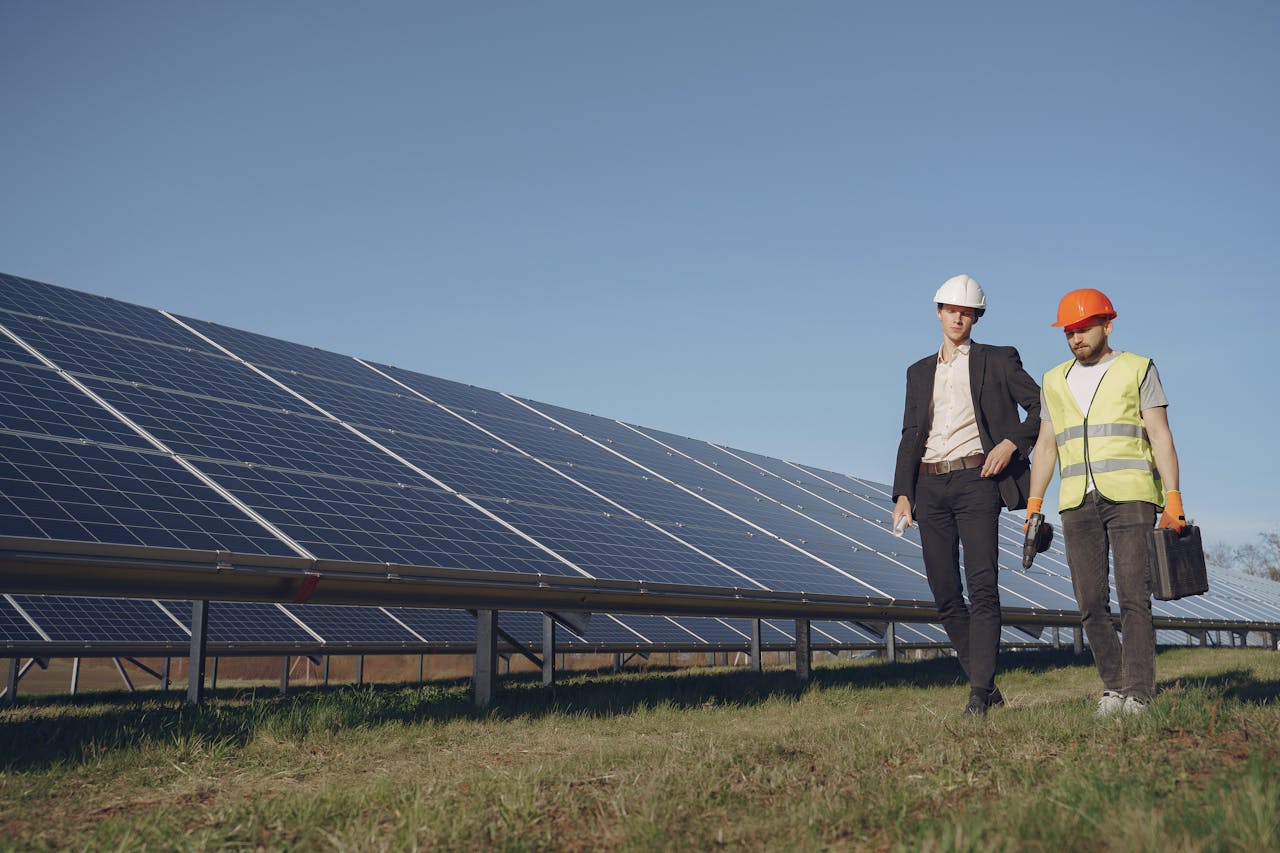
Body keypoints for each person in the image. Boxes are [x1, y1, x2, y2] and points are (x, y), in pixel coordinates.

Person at [1026, 288, 1185, 716]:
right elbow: (1045, 446)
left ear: (1107, 325)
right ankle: (1114, 688)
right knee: (1090, 602)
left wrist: (1173, 498)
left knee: (1134, 596)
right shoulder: (1053, 380)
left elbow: (1161, 435)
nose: (1076, 338)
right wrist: (1034, 503)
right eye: (1069, 332)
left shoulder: (1138, 368)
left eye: (1083, 329)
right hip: (1076, 501)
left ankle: (1139, 692)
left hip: (1132, 496)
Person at [892, 275, 1042, 716]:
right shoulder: (918, 372)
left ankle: (979, 692)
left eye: (967, 312)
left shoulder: (998, 360)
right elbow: (908, 433)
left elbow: (1041, 405)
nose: (958, 317)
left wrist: (1011, 443)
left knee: (982, 586)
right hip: (928, 485)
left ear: (975, 317)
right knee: (943, 590)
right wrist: (902, 493)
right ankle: (985, 681)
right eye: (951, 310)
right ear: (938, 312)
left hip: (979, 480)